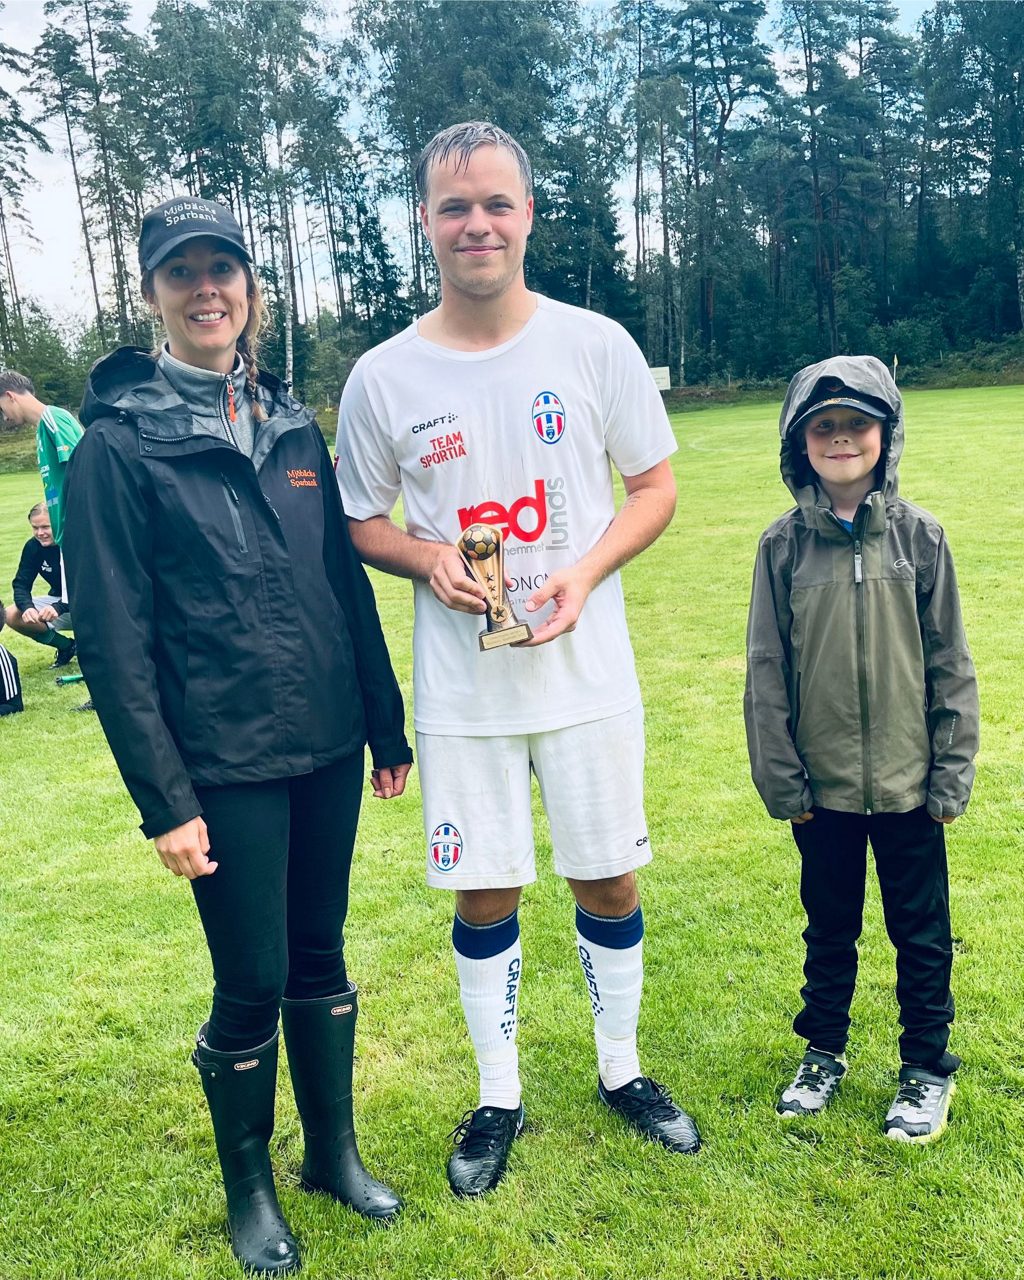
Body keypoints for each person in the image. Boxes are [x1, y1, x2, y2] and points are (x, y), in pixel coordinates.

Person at [336, 121, 700, 1199]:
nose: (477, 224)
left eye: (496, 203)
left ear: (528, 214)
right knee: (483, 888)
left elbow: (655, 489)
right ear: (426, 222)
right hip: (463, 691)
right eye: (455, 207)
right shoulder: (381, 375)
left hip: (586, 679)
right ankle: (497, 1095)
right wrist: (426, 557)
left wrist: (582, 575)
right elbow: (360, 520)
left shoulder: (594, 344)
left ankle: (621, 1069)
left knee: (608, 871)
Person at [62, 197, 413, 1276]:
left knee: (321, 952)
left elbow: (339, 583)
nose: (206, 289)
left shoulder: (292, 424)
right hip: (223, 761)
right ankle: (250, 1186)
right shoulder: (117, 450)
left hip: (325, 742)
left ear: (250, 287)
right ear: (154, 296)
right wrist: (165, 801)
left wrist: (384, 719)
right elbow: (117, 645)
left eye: (223, 268)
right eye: (182, 274)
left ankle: (333, 1155)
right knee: (250, 974)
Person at [744, 355, 979, 1144]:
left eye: (856, 424)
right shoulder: (782, 550)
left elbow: (951, 662)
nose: (841, 438)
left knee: (921, 931)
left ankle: (924, 1068)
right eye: (824, 427)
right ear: (799, 443)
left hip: (913, 787)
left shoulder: (920, 538)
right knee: (829, 926)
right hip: (824, 789)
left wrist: (950, 772)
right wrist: (784, 780)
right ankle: (824, 1052)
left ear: (885, 435)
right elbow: (767, 670)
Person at [0, 368, 84, 547]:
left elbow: (85, 473)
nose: (5, 418)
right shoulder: (41, 430)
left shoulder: (54, 418)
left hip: (80, 536)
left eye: (1, 409)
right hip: (68, 539)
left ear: (10, 396)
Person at [5, 503, 77, 668]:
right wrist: (27, 607)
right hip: (62, 604)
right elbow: (21, 584)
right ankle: (67, 646)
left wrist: (59, 607)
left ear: (58, 523)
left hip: (91, 606)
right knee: (11, 614)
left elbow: (91, 588)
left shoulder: (75, 543)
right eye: (35, 527)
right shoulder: (33, 547)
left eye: (46, 527)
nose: (40, 533)